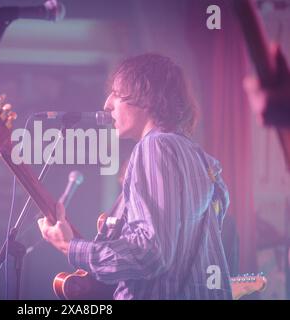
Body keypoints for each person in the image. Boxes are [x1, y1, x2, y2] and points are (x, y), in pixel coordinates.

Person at [37, 53, 232, 299]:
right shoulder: (204, 161)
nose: (107, 103)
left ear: (146, 97)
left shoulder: (154, 147)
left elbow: (150, 253)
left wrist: (69, 246)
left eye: (117, 93)